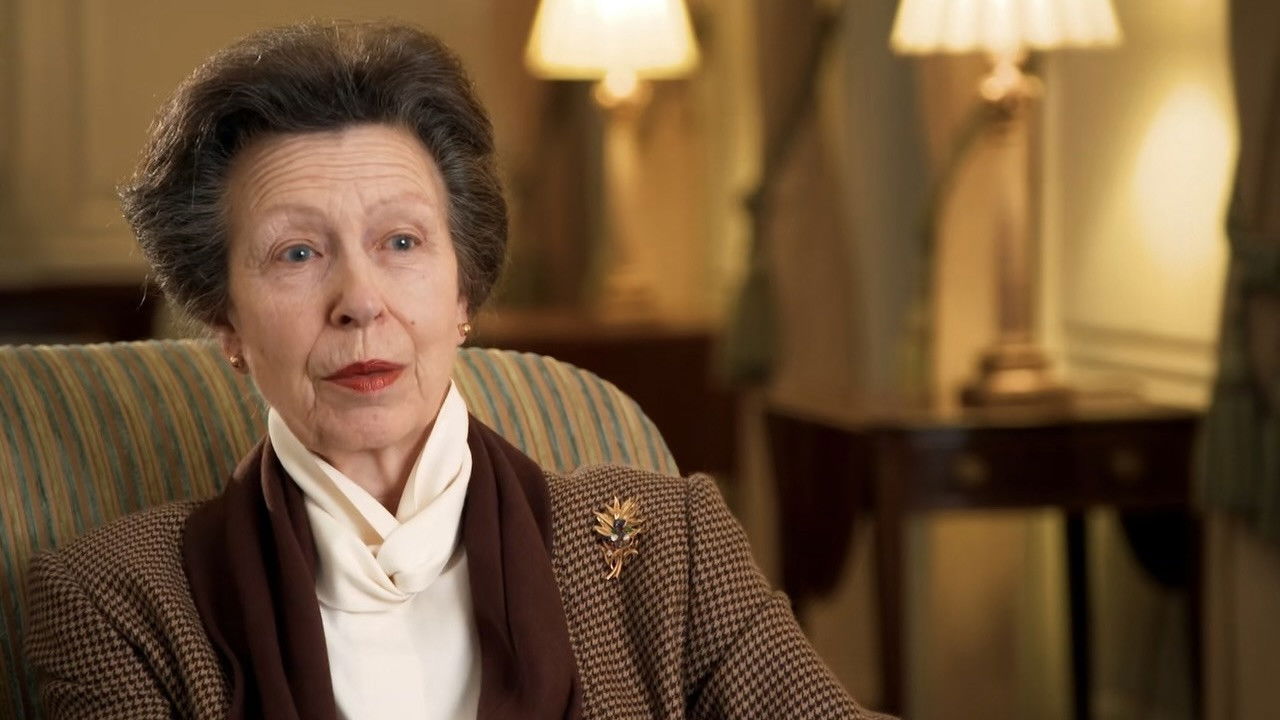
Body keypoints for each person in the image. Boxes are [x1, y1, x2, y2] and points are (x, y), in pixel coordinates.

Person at [23, 20, 889, 720]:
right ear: (226, 322)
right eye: (297, 253)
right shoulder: (118, 604)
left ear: (463, 290)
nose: (360, 302)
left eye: (401, 242)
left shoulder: (672, 548)